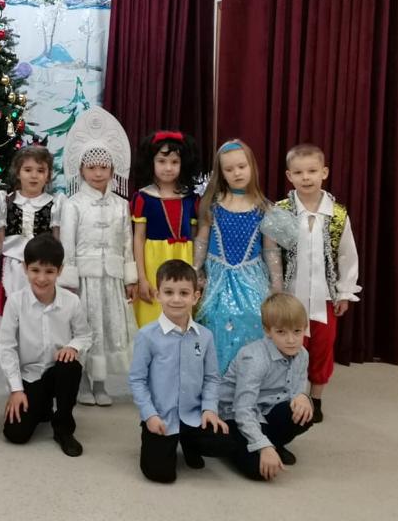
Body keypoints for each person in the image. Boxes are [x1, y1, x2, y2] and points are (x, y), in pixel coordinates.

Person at [274, 144, 360, 423]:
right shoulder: (281, 211)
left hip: (323, 297)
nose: (306, 177)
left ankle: (316, 397)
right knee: (290, 345)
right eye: (299, 172)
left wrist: (344, 292)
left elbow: (347, 255)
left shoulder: (337, 214)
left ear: (324, 172)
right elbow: (271, 254)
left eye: (312, 171)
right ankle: (288, 396)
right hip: (291, 297)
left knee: (322, 347)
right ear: (289, 176)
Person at [128, 260, 232, 483]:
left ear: (195, 297)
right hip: (162, 417)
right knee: (161, 475)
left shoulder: (205, 336)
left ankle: (189, 442)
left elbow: (212, 378)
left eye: (184, 293)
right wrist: (150, 415)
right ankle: (167, 441)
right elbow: (137, 380)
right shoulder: (147, 336)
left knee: (227, 443)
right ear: (158, 295)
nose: (176, 299)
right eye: (169, 292)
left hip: (194, 414)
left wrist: (209, 409)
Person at [60, 106, 138, 406]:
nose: (97, 173)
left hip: (111, 277)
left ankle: (101, 384)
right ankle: (81, 382)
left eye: (103, 167)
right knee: (84, 327)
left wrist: (130, 277)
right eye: (91, 168)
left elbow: (127, 242)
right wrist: (69, 279)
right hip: (84, 278)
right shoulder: (73, 204)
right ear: (81, 170)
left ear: (112, 170)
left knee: (106, 328)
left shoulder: (121, 204)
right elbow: (67, 243)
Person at [0, 234, 92, 457]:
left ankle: (63, 428)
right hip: (30, 376)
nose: (41, 278)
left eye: (49, 271)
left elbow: (85, 336)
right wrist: (16, 390)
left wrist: (73, 347)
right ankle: (41, 406)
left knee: (70, 366)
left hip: (57, 372)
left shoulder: (71, 301)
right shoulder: (15, 301)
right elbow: (7, 347)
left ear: (60, 271)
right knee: (15, 434)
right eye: (35, 270)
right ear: (25, 268)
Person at [194, 139, 282, 373]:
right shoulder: (213, 205)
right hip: (218, 279)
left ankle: (249, 378)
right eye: (229, 169)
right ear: (221, 173)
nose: (237, 173)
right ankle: (217, 380)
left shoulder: (264, 207)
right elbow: (202, 240)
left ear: (252, 166)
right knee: (216, 317)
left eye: (242, 166)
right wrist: (195, 270)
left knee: (255, 316)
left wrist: (277, 285)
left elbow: (270, 249)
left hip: (251, 279)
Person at [218, 293, 314, 481]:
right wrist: (263, 446)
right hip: (235, 414)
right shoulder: (253, 358)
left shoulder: (302, 354)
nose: (291, 340)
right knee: (258, 471)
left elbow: (297, 390)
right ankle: (250, 444)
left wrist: (303, 396)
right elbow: (243, 409)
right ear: (268, 331)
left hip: (267, 409)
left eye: (297, 331)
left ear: (305, 328)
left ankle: (273, 442)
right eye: (281, 332)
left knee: (304, 411)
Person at [131, 131, 201, 327]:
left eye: (174, 162)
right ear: (151, 163)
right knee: (153, 316)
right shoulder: (143, 198)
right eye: (161, 161)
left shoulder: (191, 199)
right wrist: (142, 278)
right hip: (153, 263)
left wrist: (197, 273)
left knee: (182, 315)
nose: (168, 168)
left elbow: (196, 238)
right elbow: (138, 238)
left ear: (183, 164)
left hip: (185, 261)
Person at [0, 144, 62, 315]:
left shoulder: (55, 204)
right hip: (11, 268)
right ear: (18, 172)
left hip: (42, 268)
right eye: (28, 170)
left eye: (40, 171)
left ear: (48, 176)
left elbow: (57, 241)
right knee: (13, 315)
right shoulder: (5, 201)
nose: (34, 175)